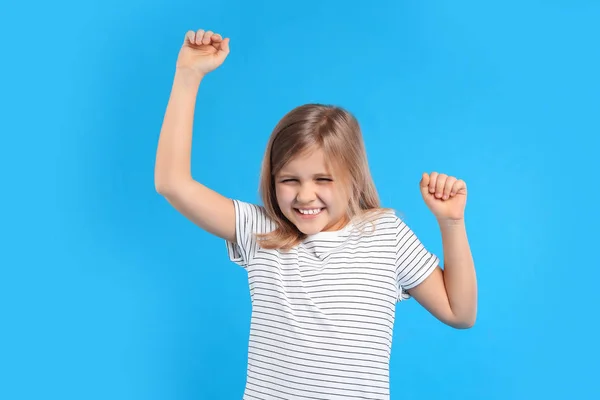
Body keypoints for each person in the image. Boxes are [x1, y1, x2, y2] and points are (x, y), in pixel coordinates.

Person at [155, 28, 477, 400]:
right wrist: (188, 74)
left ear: (353, 178)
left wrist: (451, 223)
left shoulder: (386, 234)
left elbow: (460, 313)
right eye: (289, 179)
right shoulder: (261, 230)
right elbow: (172, 183)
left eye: (323, 179)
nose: (305, 195)